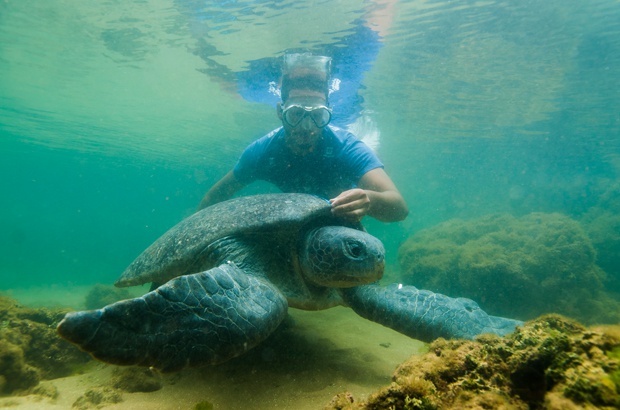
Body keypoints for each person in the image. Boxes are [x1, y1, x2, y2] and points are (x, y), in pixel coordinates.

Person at [197, 53, 408, 223]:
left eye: (317, 116)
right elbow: (212, 198)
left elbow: (399, 209)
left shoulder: (346, 146)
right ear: (281, 112)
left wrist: (368, 199)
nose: (307, 128)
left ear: (328, 113)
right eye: (296, 114)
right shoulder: (262, 151)